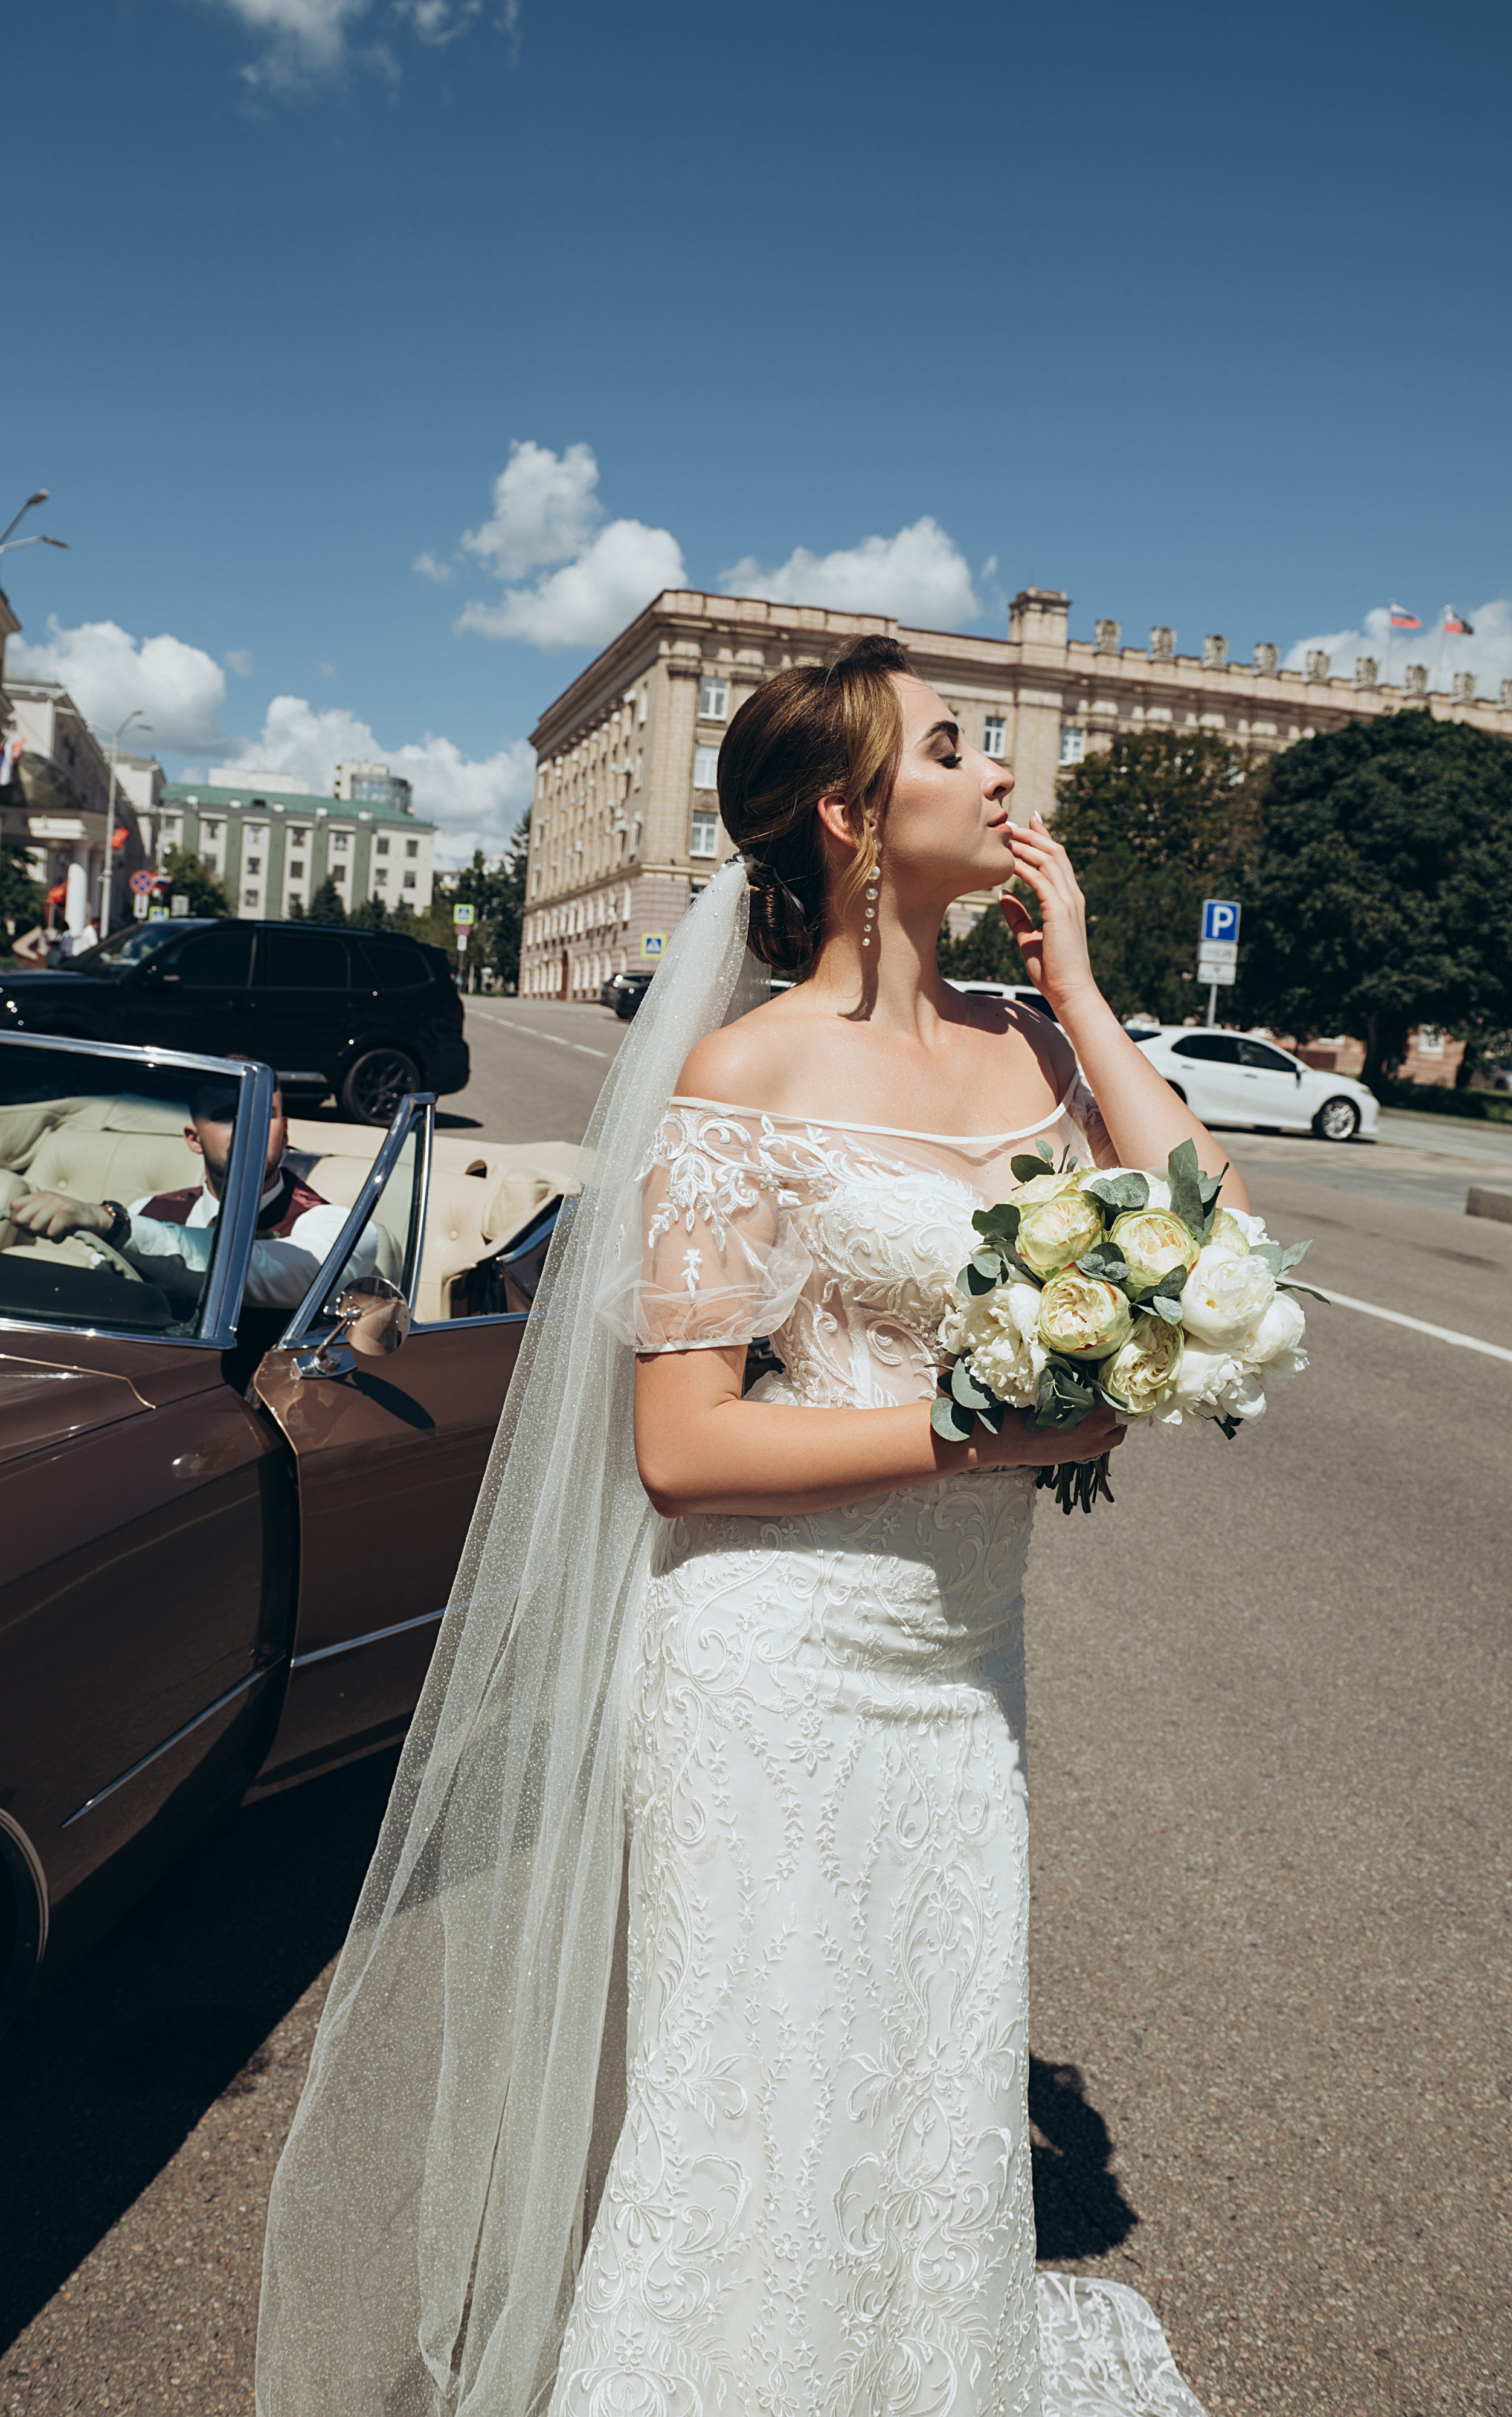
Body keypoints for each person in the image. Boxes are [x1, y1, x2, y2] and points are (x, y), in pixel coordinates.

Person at [256, 638, 1237, 2416]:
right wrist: (970, 1428)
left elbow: (1210, 1240)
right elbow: (682, 1445)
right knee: (760, 2107)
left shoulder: (1029, 1043)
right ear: (856, 819)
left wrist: (1084, 995)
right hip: (770, 1671)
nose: (1003, 775)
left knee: (928, 2084)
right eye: (958, 746)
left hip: (962, 1671)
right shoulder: (743, 1072)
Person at [10, 1074, 373, 1309]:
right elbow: (105, 1301)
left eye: (264, 1114)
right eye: (227, 1115)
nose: (248, 1128)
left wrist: (111, 1223)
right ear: (194, 1139)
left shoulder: (335, 1226)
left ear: (285, 1130)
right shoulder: (149, 1210)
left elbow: (269, 1272)